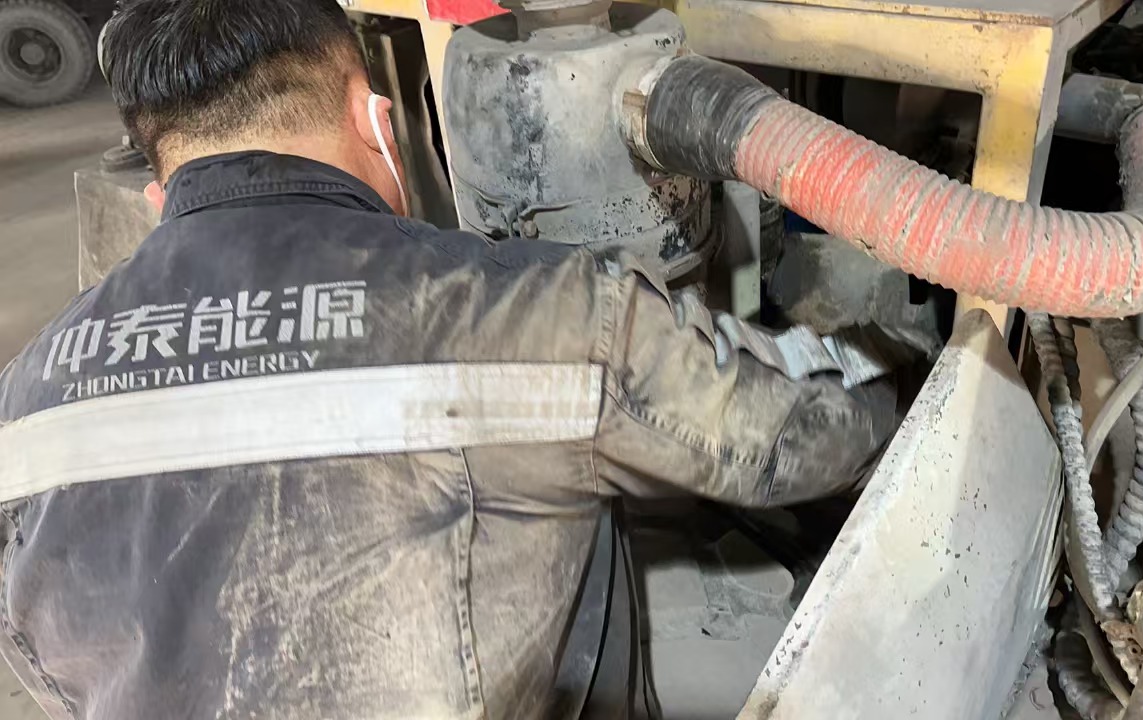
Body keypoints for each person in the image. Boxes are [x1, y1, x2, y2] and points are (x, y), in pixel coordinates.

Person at [0, 0, 895, 717]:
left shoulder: (23, 400)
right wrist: (897, 363)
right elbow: (799, 441)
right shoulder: (535, 313)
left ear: (158, 196)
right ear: (377, 121)